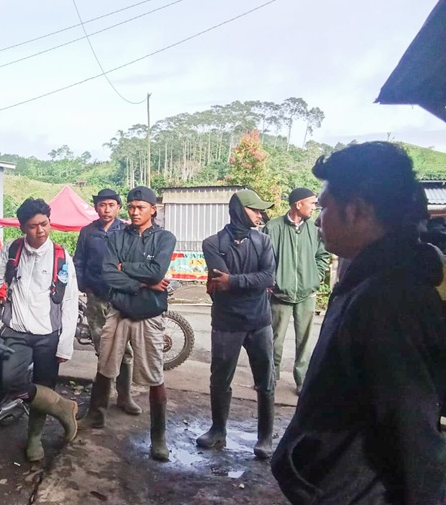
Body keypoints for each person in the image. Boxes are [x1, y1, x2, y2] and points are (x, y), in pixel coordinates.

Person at [272, 142, 446, 505]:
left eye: (326, 207)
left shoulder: (389, 297)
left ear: (357, 211)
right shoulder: (375, 276)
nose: (319, 220)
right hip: (342, 496)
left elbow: (409, 414)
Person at [0, 198, 79, 463]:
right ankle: (62, 407)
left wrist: (65, 343)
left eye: (44, 224)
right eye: (33, 226)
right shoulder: (12, 249)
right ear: (23, 227)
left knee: (44, 384)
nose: (41, 230)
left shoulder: (61, 256)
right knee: (10, 382)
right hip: (16, 331)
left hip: (49, 335)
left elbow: (70, 300)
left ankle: (34, 438)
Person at [79, 186, 177, 462]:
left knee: (154, 373)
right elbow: (108, 274)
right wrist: (143, 283)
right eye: (132, 207)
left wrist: (126, 269)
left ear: (153, 210)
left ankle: (158, 436)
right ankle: (96, 415)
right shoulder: (117, 237)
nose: (135, 212)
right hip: (119, 309)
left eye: (140, 207)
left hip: (149, 313)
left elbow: (157, 271)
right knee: (105, 364)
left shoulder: (165, 238)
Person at [196, 189, 276, 460]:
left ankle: (265, 437)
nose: (260, 215)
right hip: (226, 323)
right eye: (255, 210)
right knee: (220, 379)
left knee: (265, 380)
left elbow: (268, 278)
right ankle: (218, 430)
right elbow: (220, 281)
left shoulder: (263, 241)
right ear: (239, 211)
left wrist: (234, 281)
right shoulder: (212, 243)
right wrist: (239, 282)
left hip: (259, 322)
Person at [74, 188, 140, 415]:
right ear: (96, 208)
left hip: (121, 298)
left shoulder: (128, 231)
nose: (106, 209)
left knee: (125, 348)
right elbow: (79, 261)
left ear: (118, 208)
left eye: (111, 205)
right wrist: (83, 285)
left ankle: (124, 397)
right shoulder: (88, 232)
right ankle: (101, 400)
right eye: (102, 205)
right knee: (103, 348)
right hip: (96, 298)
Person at [264, 187, 329, 393]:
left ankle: (302, 381)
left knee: (305, 342)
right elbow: (265, 259)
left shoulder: (315, 228)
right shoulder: (272, 227)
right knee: (275, 340)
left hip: (307, 294)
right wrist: (273, 282)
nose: (314, 207)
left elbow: (323, 255)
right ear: (298, 204)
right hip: (279, 294)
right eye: (312, 203)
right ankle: (271, 378)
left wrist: (316, 276)